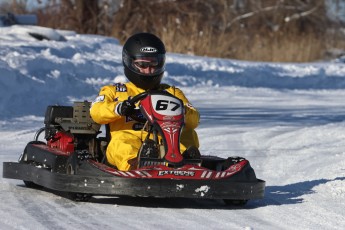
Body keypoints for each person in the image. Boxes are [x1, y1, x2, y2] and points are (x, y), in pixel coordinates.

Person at [90, 32, 200, 171]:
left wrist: (181, 111)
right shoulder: (115, 91)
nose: (149, 70)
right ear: (129, 62)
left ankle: (185, 164)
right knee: (122, 143)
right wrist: (119, 108)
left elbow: (194, 119)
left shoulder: (171, 92)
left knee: (187, 134)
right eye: (142, 64)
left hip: (165, 141)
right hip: (130, 139)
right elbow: (96, 111)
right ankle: (136, 166)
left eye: (154, 64)